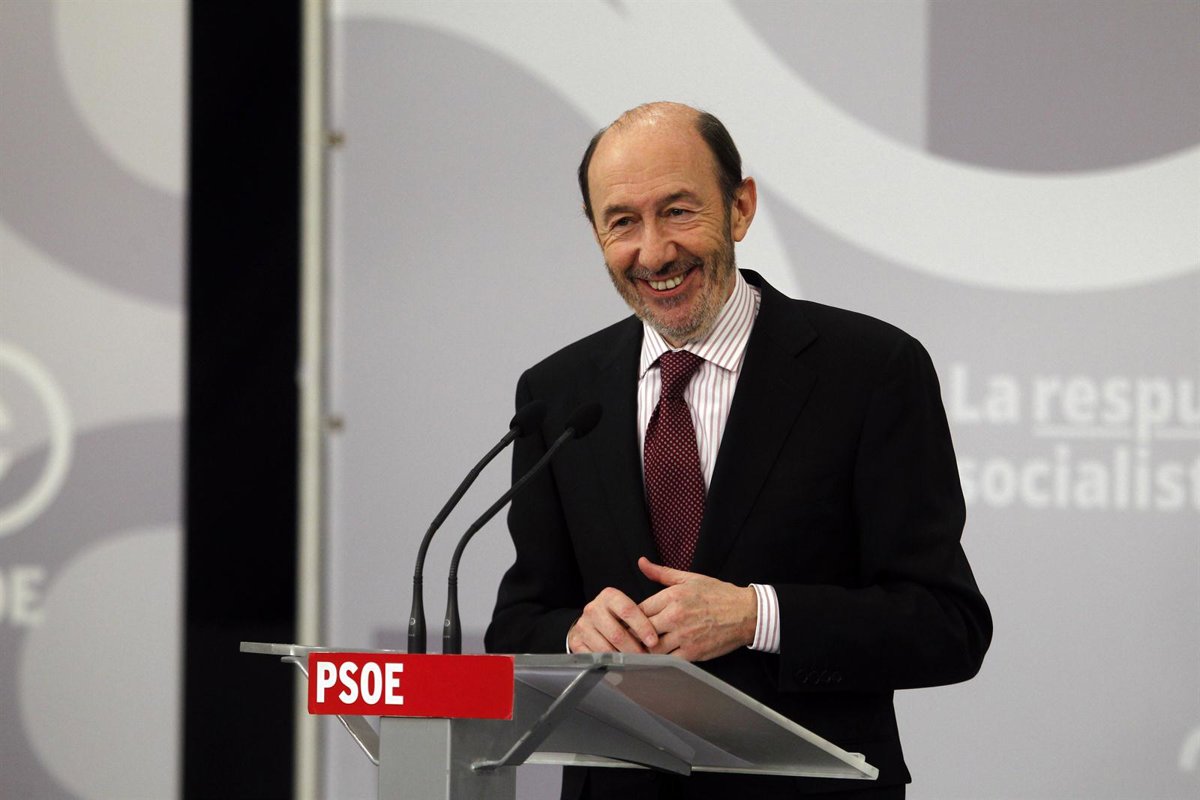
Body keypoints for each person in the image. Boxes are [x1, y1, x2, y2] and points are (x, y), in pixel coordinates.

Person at [485, 102, 991, 800]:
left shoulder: (871, 371)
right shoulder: (558, 393)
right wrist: (576, 633)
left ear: (741, 207)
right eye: (622, 222)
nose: (654, 253)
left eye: (678, 211)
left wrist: (757, 617)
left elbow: (946, 626)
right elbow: (517, 624)